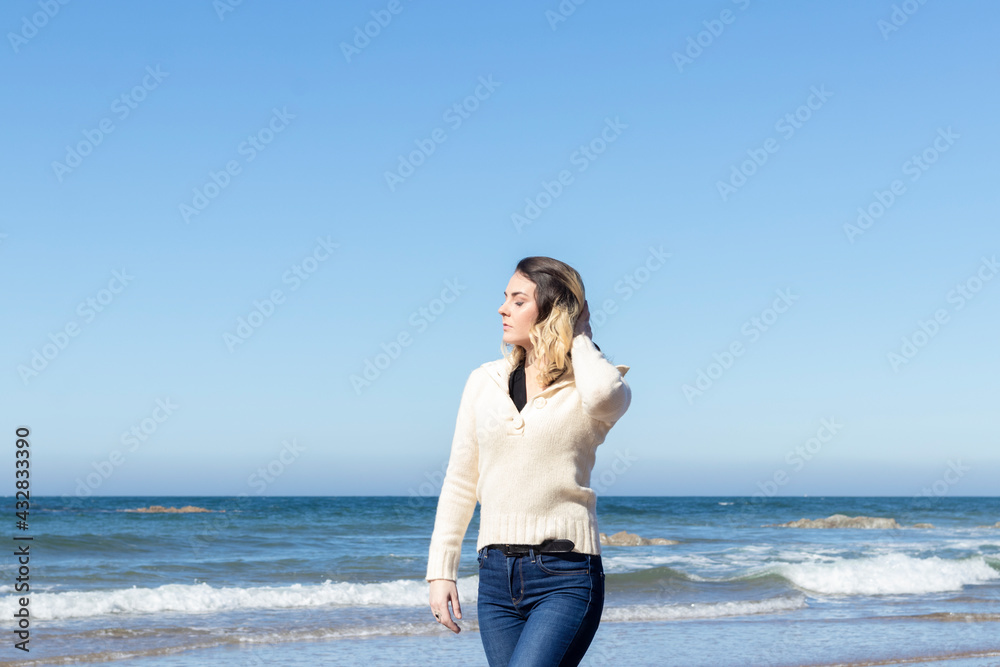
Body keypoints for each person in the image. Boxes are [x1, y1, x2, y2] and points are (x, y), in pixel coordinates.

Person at [426, 256, 632, 666]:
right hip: (495, 578)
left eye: (518, 300)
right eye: (505, 298)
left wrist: (580, 335)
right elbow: (461, 480)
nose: (503, 308)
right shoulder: (483, 382)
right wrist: (440, 571)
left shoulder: (591, 384)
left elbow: (606, 397)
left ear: (553, 308)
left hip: (565, 575)